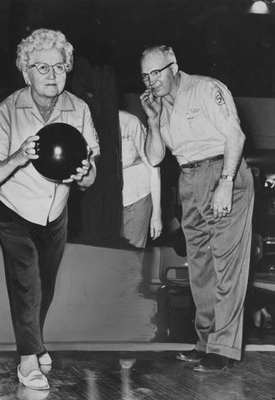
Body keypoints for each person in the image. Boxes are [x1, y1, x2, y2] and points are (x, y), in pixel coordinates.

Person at [0, 28, 99, 390]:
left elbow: (91, 176)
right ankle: (27, 360)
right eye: (42, 68)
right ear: (25, 71)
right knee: (25, 279)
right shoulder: (7, 111)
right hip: (12, 206)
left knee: (45, 282)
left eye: (59, 67)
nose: (52, 76)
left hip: (54, 210)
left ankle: (35, 340)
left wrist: (84, 174)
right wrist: (18, 157)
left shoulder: (79, 109)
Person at [140, 45, 254, 372]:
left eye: (157, 72)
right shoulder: (159, 105)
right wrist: (152, 120)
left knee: (225, 265)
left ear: (174, 66)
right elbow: (156, 157)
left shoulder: (206, 88)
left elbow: (235, 134)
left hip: (222, 172)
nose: (151, 81)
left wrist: (227, 182)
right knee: (200, 267)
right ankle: (205, 342)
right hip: (188, 179)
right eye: (146, 75)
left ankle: (223, 349)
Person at [119, 110, 162, 248]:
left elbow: (153, 166)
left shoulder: (130, 121)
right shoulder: (84, 119)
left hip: (136, 199)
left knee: (131, 257)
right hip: (106, 204)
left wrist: (156, 214)